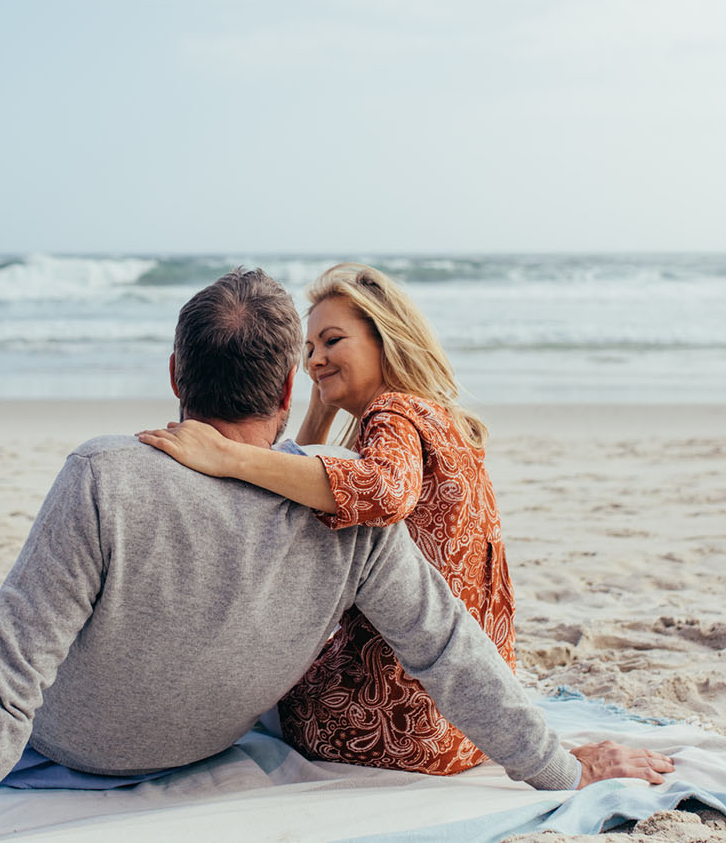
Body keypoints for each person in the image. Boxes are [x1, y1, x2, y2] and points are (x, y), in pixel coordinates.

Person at [0, 269, 670, 843]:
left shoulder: (105, 474)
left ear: (178, 373)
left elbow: (8, 683)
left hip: (76, 737)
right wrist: (561, 767)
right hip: (206, 736)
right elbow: (449, 651)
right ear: (290, 389)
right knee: (25, 621)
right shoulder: (345, 502)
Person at [138, 263, 510, 775]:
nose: (315, 359)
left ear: (387, 339)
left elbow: (383, 493)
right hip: (465, 724)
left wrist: (226, 456)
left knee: (228, 672)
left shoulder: (394, 417)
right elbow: (306, 475)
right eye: (308, 350)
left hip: (389, 724)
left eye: (333, 341)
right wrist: (320, 406)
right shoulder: (437, 418)